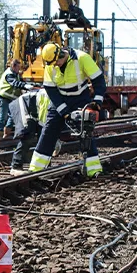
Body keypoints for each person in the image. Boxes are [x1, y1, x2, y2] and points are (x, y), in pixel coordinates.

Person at [28, 43, 106, 177]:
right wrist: (64, 112)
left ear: (62, 54)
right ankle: (36, 169)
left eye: (57, 62)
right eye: (52, 64)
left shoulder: (82, 58)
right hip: (59, 99)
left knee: (85, 133)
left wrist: (97, 102)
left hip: (80, 99)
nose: (56, 65)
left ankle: (94, 170)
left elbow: (99, 81)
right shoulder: (50, 64)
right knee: (48, 131)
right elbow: (51, 90)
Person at [7, 88, 51, 174]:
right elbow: (43, 120)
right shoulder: (49, 99)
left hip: (33, 111)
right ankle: (16, 166)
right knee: (28, 137)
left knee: (43, 138)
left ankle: (44, 165)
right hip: (23, 106)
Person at [0, 59, 28, 143]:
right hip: (4, 97)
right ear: (13, 66)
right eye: (18, 67)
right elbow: (15, 83)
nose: (19, 69)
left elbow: (19, 82)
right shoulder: (9, 75)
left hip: (12, 98)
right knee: (3, 116)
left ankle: (7, 133)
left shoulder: (16, 74)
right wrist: (26, 86)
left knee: (13, 115)